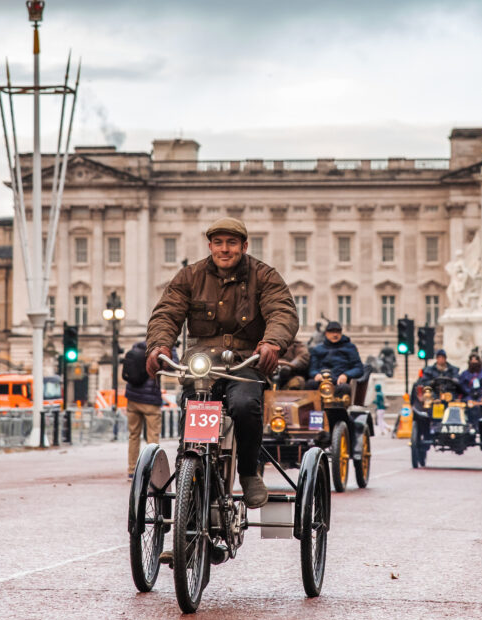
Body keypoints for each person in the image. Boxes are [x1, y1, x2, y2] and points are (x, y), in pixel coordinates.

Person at [144, 217, 299, 508]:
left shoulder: (265, 276)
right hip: (202, 362)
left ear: (244, 246)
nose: (224, 249)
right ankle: (189, 469)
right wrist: (159, 345)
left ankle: (249, 472)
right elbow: (167, 313)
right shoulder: (190, 276)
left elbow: (282, 311)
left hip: (245, 362)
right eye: (218, 243)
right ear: (210, 245)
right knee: (192, 407)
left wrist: (272, 343)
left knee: (244, 406)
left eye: (231, 243)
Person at [122, 339, 169, 479]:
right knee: (152, 436)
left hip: (132, 399)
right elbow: (172, 365)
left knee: (133, 436)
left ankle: (132, 470)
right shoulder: (157, 353)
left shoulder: (134, 350)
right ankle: (151, 469)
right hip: (150, 400)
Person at [306, 321, 365, 392]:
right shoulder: (317, 349)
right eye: (332, 332)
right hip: (322, 380)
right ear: (326, 333)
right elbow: (312, 369)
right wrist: (316, 375)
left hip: (340, 381)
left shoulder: (350, 348)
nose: (335, 334)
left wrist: (346, 375)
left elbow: (358, 368)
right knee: (310, 384)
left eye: (338, 332)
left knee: (344, 388)